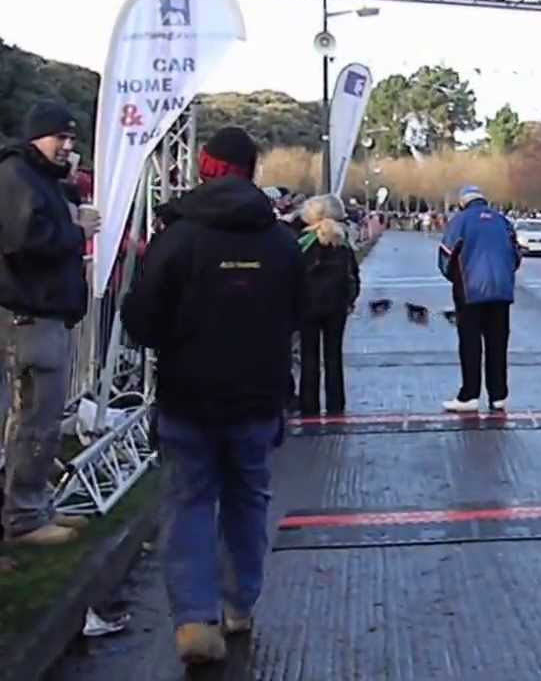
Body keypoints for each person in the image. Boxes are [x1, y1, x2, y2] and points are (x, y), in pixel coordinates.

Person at [122, 127, 303, 664]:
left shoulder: (176, 237)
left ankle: (195, 619)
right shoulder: (280, 242)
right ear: (253, 172)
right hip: (257, 395)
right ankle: (240, 602)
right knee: (248, 499)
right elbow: (299, 314)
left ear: (205, 167)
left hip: (188, 396)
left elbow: (143, 321)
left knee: (189, 501)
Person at [0, 101, 100, 546]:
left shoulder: (38, 180)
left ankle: (34, 505)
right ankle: (24, 517)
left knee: (39, 417)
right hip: (29, 316)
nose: (67, 146)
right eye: (59, 137)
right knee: (35, 418)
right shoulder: (18, 177)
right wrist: (78, 231)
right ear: (35, 136)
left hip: (41, 313)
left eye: (72, 139)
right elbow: (23, 242)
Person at [438, 186, 520, 413]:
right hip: (502, 291)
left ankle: (469, 395)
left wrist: (454, 278)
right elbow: (516, 254)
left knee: (470, 343)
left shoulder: (460, 221)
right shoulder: (503, 221)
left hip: (470, 289)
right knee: (498, 344)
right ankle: (498, 395)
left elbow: (446, 254)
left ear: (463, 202)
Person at [297, 195, 361, 417]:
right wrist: (350, 300)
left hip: (307, 305)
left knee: (309, 355)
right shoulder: (342, 242)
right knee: (333, 355)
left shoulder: (302, 243)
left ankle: (309, 404)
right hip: (336, 305)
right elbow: (353, 274)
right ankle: (336, 404)